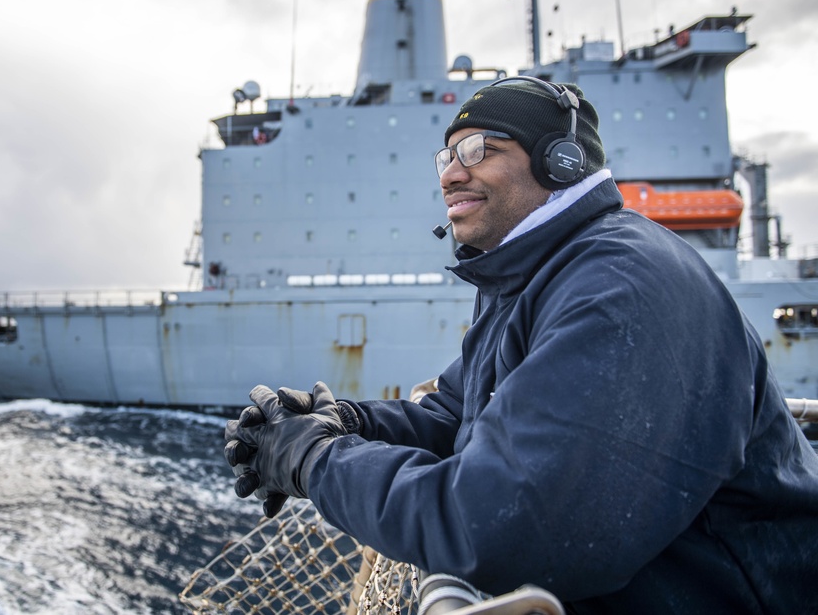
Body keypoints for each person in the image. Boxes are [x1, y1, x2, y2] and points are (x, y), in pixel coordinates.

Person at [224, 77, 818, 614]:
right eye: (447, 156)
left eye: (480, 151)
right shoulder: (529, 274)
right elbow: (455, 414)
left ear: (561, 162)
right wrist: (341, 420)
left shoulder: (618, 287)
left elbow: (499, 525)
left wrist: (314, 461)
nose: (450, 174)